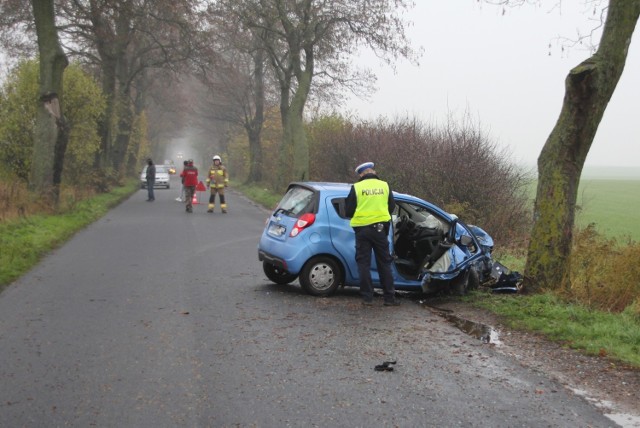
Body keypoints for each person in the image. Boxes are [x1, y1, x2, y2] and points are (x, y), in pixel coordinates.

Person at [345, 162, 398, 306]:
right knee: (384, 264)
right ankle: (389, 298)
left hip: (362, 231)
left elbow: (348, 211)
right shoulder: (385, 186)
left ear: (361, 174)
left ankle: (367, 298)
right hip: (380, 230)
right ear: (373, 171)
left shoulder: (356, 187)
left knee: (363, 264)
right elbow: (392, 207)